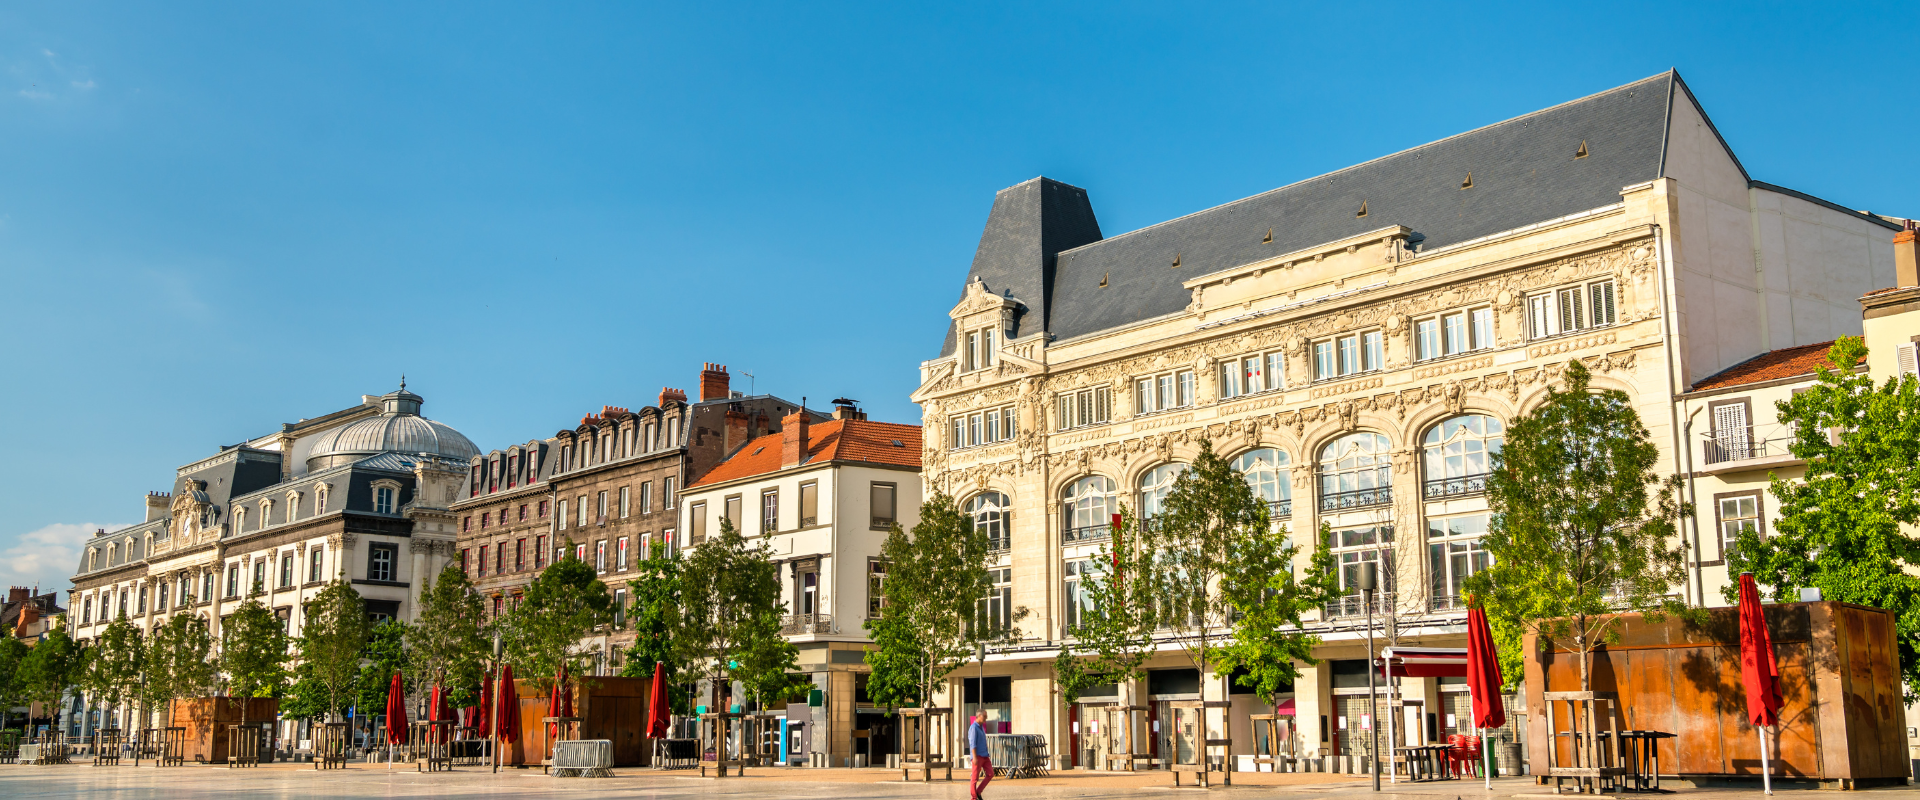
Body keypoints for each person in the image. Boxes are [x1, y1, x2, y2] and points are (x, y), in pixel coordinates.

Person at [968, 715, 992, 800]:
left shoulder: (981, 727)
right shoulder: (973, 728)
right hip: (977, 756)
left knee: (990, 774)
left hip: (985, 755)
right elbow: (972, 743)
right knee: (974, 778)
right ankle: (974, 797)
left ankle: (978, 792)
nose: (986, 718)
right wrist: (974, 757)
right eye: (984, 716)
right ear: (979, 716)